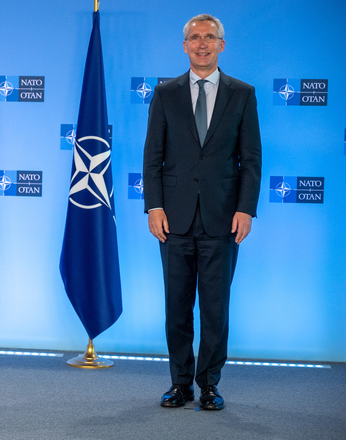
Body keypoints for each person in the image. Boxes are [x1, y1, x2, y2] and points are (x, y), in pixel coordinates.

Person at [142, 14, 261, 410]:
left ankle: (209, 385)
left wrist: (246, 210)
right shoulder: (165, 93)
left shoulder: (242, 93)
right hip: (173, 221)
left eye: (210, 37)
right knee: (176, 307)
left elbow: (251, 159)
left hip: (222, 219)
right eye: (195, 37)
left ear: (221, 45)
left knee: (215, 309)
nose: (202, 43)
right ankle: (180, 385)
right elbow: (152, 157)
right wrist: (154, 206)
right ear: (185, 45)